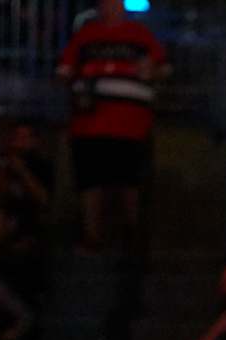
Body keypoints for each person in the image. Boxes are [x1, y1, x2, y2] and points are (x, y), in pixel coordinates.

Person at [55, 0, 167, 254]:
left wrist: (152, 70)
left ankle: (131, 238)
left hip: (131, 127)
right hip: (88, 126)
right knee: (91, 183)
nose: (112, 7)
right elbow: (64, 70)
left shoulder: (140, 35)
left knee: (129, 183)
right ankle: (92, 238)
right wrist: (75, 83)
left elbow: (163, 67)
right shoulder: (85, 36)